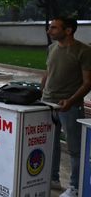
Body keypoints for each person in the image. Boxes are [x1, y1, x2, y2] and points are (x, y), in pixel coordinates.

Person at [41, 17, 91, 197]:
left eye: (53, 28)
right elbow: (47, 72)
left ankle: (76, 186)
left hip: (70, 107)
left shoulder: (83, 51)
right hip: (48, 103)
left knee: (75, 149)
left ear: (68, 30)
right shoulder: (51, 48)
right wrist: (40, 94)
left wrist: (70, 101)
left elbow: (87, 83)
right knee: (50, 144)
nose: (49, 31)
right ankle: (53, 178)